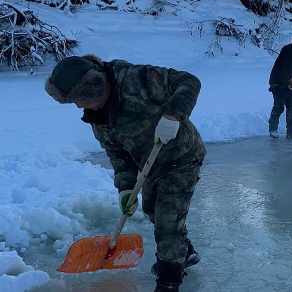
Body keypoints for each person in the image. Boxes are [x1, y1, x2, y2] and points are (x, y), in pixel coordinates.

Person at [45, 55, 206, 292]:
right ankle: (185, 252)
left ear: (94, 88)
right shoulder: (98, 118)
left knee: (167, 220)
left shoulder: (136, 80)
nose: (79, 106)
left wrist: (173, 115)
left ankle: (169, 281)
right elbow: (119, 156)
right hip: (150, 164)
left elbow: (189, 81)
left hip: (181, 156)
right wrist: (126, 188)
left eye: (79, 99)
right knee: (152, 209)